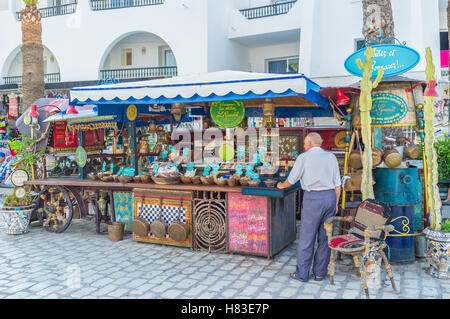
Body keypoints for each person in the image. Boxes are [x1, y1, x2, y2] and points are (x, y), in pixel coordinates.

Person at [277, 132, 341, 282]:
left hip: (313, 199)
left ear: (310, 143)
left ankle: (302, 273)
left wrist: (281, 185)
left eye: (305, 144)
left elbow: (291, 180)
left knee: (307, 236)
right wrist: (336, 204)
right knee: (325, 237)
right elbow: (338, 184)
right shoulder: (331, 157)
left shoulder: (303, 158)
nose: (304, 146)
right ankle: (320, 273)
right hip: (330, 198)